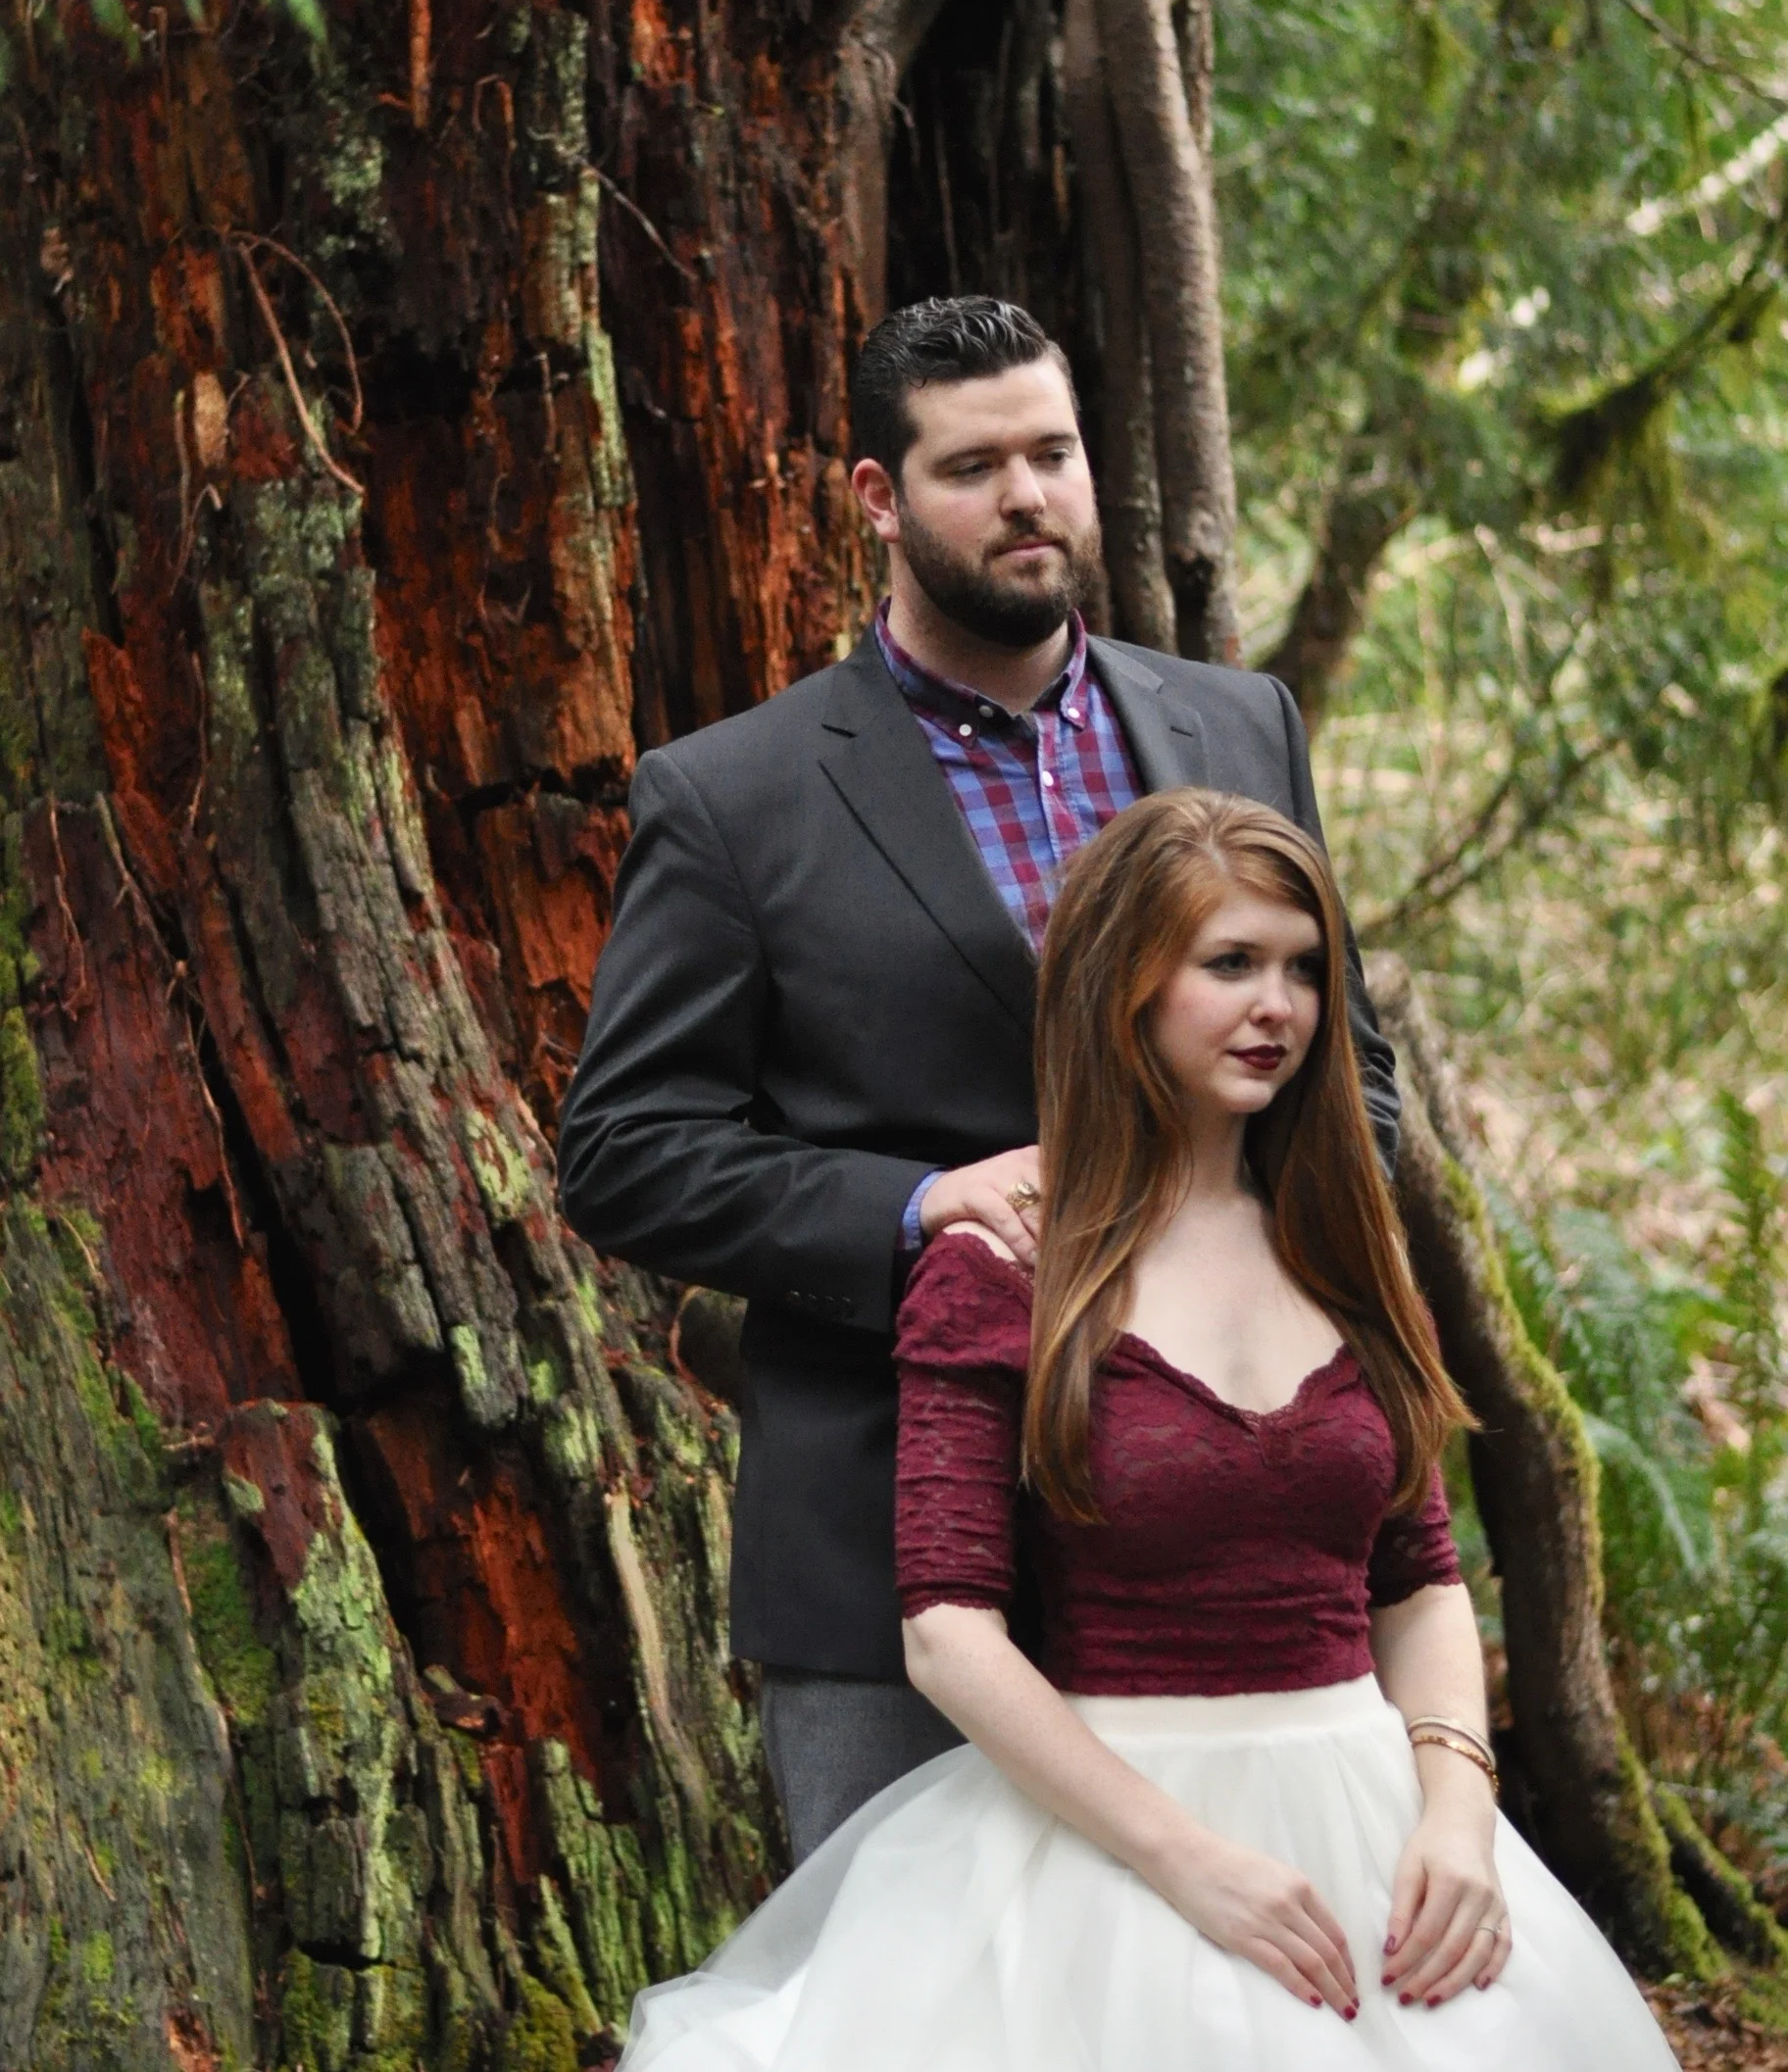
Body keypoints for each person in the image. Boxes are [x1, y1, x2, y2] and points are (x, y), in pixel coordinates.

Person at [614, 792, 1679, 2071]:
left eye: (1301, 968)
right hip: (1116, 1828)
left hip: (1376, 1821)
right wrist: (1192, 1864)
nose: (1277, 1006)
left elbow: (1420, 1578)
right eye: (1230, 963)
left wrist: (1456, 1809)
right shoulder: (1005, 1265)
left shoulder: (1350, 1242)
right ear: (1127, 981)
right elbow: (949, 1633)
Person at [557, 294, 1400, 1859]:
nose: (1027, 497)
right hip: (889, 1562)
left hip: (1221, 1537)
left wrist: (1233, 1258)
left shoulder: (1233, 725)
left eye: (1053, 454)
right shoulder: (734, 796)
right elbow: (623, 1152)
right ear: (876, 498)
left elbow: (1358, 1085)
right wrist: (922, 1204)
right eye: (973, 466)